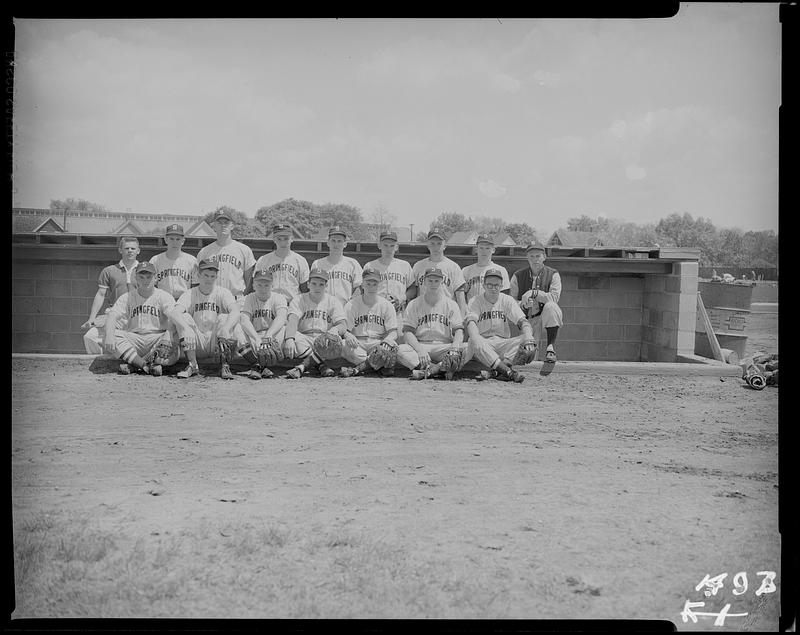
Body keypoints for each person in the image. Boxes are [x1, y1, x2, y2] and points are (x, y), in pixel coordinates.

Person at [102, 261, 193, 376]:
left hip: (157, 339)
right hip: (135, 339)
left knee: (173, 343)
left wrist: (169, 335)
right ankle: (145, 365)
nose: (145, 280)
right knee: (108, 333)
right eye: (141, 277)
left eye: (149, 277)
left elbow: (174, 316)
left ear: (156, 278)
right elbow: (112, 315)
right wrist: (109, 336)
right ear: (135, 278)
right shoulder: (127, 297)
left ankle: (135, 364)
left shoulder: (163, 296)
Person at [173, 259, 242, 380]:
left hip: (215, 342)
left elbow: (235, 311)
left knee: (224, 317)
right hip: (196, 341)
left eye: (212, 276)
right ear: (198, 275)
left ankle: (224, 365)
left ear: (216, 277)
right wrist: (185, 328)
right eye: (206, 275)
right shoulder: (190, 293)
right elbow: (175, 313)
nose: (209, 279)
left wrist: (226, 328)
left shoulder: (223, 292)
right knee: (184, 317)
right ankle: (192, 364)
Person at [464, 268, 536, 383]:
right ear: (483, 285)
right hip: (484, 345)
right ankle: (509, 372)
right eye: (490, 285)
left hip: (503, 345)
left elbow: (523, 322)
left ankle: (496, 371)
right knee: (473, 340)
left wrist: (528, 337)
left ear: (502, 285)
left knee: (527, 338)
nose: (493, 288)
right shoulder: (475, 301)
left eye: (497, 285)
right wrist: (476, 338)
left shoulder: (507, 300)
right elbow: (471, 323)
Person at [397, 267, 469, 380]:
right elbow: (408, 332)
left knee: (469, 347)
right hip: (422, 345)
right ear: (424, 282)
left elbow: (459, 331)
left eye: (436, 281)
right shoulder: (414, 304)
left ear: (442, 282)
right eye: (430, 281)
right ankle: (441, 369)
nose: (433, 284)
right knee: (399, 349)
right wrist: (420, 350)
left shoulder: (451, 304)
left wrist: (454, 347)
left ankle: (430, 370)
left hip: (444, 346)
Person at [282, 268, 348, 379]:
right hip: (304, 338)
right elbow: (292, 320)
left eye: (321, 284)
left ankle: (302, 367)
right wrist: (289, 339)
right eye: (314, 283)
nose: (317, 287)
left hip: (324, 340)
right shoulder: (299, 299)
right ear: (308, 284)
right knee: (288, 333)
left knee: (341, 343)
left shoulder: (333, 301)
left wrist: (334, 330)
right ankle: (321, 366)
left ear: (326, 286)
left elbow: (343, 325)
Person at [81, 235, 141, 356]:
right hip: (115, 315)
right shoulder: (109, 270)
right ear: (120, 250)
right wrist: (92, 318)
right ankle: (102, 364)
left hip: (138, 315)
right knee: (90, 337)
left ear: (138, 251)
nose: (130, 251)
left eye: (133, 248)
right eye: (126, 248)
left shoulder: (144, 270)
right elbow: (101, 294)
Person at [338, 266, 399, 377]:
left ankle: (359, 369)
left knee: (392, 345)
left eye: (374, 284)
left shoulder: (386, 305)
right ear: (362, 284)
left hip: (377, 342)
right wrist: (347, 335)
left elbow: (393, 332)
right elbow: (344, 329)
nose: (371, 287)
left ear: (379, 285)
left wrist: (386, 341)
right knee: (342, 344)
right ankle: (378, 365)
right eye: (368, 283)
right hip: (358, 343)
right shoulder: (352, 304)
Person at [509, 242, 563, 363]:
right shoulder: (518, 275)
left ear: (544, 257)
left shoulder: (553, 274)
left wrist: (534, 293)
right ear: (527, 258)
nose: (535, 259)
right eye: (531, 256)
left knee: (551, 306)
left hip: (545, 317)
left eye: (538, 256)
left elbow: (554, 297)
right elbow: (511, 302)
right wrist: (522, 304)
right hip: (528, 320)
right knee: (530, 357)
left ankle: (550, 348)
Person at [196, 209, 256, 306]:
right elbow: (199, 279)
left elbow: (248, 280)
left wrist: (243, 298)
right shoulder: (204, 252)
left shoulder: (244, 250)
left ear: (232, 226)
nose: (223, 225)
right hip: (211, 300)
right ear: (214, 226)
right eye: (219, 222)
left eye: (226, 222)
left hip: (236, 299)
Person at [363, 230, 414, 343]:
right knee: (375, 343)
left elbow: (413, 288)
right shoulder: (370, 265)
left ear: (396, 247)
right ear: (379, 245)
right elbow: (363, 289)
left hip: (398, 312)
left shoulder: (404, 265)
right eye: (385, 245)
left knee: (398, 342)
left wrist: (402, 298)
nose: (388, 249)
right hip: (376, 311)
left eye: (392, 246)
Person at [238, 268, 289, 379]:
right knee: (237, 328)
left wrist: (268, 336)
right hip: (254, 337)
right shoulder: (247, 299)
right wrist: (257, 339)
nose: (263, 288)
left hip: (272, 337)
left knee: (284, 328)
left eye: (266, 285)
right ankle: (257, 364)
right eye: (259, 284)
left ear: (272, 285)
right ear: (254, 285)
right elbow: (244, 320)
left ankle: (259, 367)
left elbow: (281, 318)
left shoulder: (279, 298)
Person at [409, 228, 468, 317]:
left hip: (446, 314)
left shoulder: (453, 267)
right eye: (432, 243)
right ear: (428, 245)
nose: (436, 247)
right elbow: (414, 292)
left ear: (445, 245)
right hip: (423, 314)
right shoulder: (419, 266)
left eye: (439, 243)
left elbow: (460, 296)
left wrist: (462, 318)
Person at [253, 223, 310, 303]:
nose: (282, 242)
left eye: (286, 238)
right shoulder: (263, 260)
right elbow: (255, 285)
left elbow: (304, 289)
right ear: (274, 239)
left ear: (291, 239)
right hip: (269, 304)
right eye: (279, 238)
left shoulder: (300, 260)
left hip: (292, 304)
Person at [310, 226, 363, 307]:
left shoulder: (353, 264)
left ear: (345, 244)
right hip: (323, 308)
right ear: (328, 242)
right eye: (333, 240)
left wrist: (351, 304)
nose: (336, 244)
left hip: (345, 308)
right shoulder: (317, 264)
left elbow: (359, 288)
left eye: (339, 241)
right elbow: (312, 289)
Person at [149, 224, 198, 300]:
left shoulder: (192, 261)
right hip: (162, 300)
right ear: (165, 239)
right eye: (171, 238)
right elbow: (151, 285)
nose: (174, 242)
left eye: (178, 239)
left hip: (184, 300)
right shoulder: (155, 260)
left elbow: (195, 286)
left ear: (183, 241)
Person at [461, 233, 511, 302]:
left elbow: (504, 296)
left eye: (487, 248)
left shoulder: (501, 270)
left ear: (493, 250)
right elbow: (461, 295)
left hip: (492, 310)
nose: (484, 251)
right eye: (481, 248)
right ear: (476, 249)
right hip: (472, 310)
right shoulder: (465, 271)